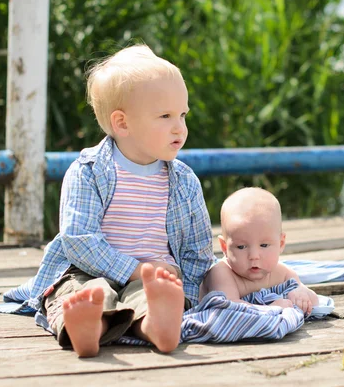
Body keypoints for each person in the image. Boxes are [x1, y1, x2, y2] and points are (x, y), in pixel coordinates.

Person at [27, 44, 214, 357]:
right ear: (122, 123)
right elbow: (79, 239)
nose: (179, 127)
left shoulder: (184, 181)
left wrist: (187, 294)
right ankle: (89, 326)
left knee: (153, 295)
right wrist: (133, 268)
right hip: (89, 270)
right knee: (79, 292)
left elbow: (198, 250)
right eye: (165, 116)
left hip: (154, 278)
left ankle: (156, 324)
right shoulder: (88, 172)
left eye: (182, 114)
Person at [199, 187, 319, 315]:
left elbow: (313, 299)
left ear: (281, 243)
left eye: (264, 245)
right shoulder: (221, 273)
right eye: (241, 247)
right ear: (224, 247)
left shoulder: (281, 272)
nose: (254, 256)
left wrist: (300, 293)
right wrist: (271, 309)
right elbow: (229, 307)